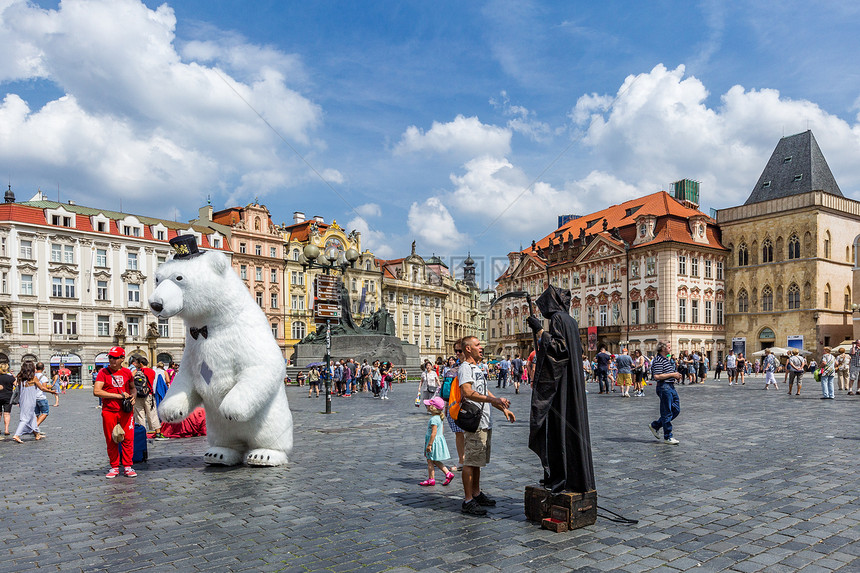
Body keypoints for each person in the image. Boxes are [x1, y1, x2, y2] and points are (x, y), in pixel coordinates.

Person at [526, 286, 595, 494]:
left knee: (559, 430)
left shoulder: (557, 318)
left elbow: (559, 349)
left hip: (562, 386)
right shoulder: (571, 321)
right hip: (571, 383)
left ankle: (561, 477)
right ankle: (569, 475)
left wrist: (539, 330)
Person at [458, 335, 515, 516]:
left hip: (484, 421)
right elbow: (467, 392)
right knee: (470, 461)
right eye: (477, 345)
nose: (481, 347)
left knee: (478, 462)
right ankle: (468, 500)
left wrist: (501, 407)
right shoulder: (466, 368)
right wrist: (493, 399)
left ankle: (476, 493)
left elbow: (484, 391)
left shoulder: (476, 368)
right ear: (468, 349)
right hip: (474, 422)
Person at [93, 346, 137, 478]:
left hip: (125, 410)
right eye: (110, 357)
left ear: (122, 359)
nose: (112, 360)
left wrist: (133, 396)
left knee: (128, 438)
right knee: (111, 439)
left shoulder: (127, 373)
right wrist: (118, 396)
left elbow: (132, 388)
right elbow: (97, 391)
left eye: (115, 358)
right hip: (109, 411)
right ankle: (114, 467)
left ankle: (128, 466)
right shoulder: (103, 373)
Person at [647, 342, 681, 446]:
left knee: (676, 409)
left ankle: (656, 425)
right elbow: (656, 376)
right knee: (667, 412)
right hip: (664, 387)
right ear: (662, 348)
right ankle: (668, 436)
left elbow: (667, 373)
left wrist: (676, 376)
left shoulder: (666, 359)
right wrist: (673, 374)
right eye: (669, 347)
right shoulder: (658, 360)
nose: (671, 348)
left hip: (670, 386)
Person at [419, 397, 455, 486]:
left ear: (432, 408)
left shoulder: (433, 419)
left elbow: (433, 432)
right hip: (437, 441)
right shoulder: (439, 417)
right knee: (432, 460)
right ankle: (444, 474)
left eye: (428, 405)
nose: (426, 406)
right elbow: (441, 430)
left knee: (430, 460)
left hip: (432, 441)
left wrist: (429, 444)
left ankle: (434, 478)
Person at [441, 352, 464, 472]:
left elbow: (445, 393)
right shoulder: (467, 370)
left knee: (459, 434)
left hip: (453, 406)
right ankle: (466, 461)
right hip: (466, 406)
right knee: (467, 434)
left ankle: (462, 460)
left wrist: (446, 405)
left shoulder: (450, 372)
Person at [131, 356, 162, 436]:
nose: (136, 365)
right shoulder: (152, 371)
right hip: (149, 395)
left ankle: (142, 432)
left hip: (138, 395)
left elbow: (130, 379)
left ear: (140, 364)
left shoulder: (136, 371)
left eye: (137, 363)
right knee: (152, 413)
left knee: (140, 414)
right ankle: (157, 432)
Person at [33, 362, 58, 432]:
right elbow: (43, 388)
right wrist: (51, 391)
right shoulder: (43, 377)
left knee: (36, 414)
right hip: (41, 397)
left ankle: (36, 431)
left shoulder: (32, 376)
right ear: (43, 368)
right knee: (45, 412)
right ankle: (35, 427)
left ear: (36, 368)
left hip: (33, 397)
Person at [0, 363, 14, 436]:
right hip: (8, 397)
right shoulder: (10, 377)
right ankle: (6, 430)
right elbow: (17, 384)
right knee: (7, 413)